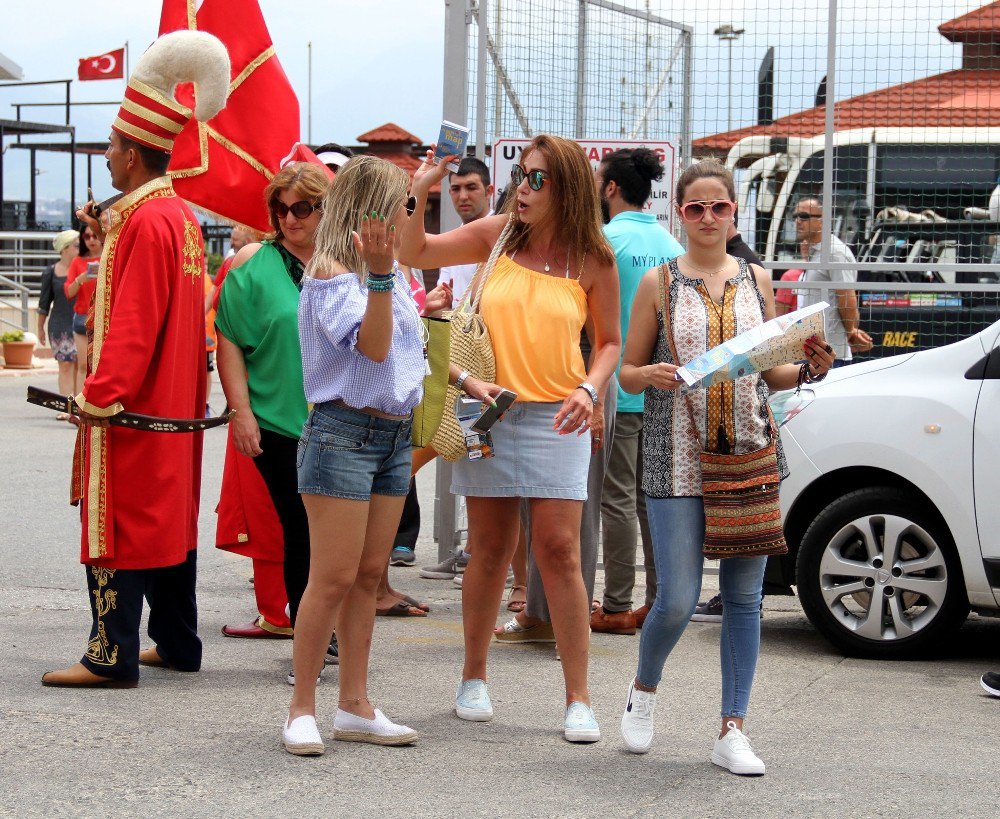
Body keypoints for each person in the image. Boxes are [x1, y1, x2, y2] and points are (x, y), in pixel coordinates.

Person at [400, 134, 622, 743]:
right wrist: (422, 189)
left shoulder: (592, 257)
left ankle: (578, 696)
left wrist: (591, 389)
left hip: (560, 414)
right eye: (522, 176)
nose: (522, 189)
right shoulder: (495, 234)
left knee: (560, 552)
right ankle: (473, 676)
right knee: (490, 551)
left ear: (569, 186)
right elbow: (413, 249)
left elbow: (608, 343)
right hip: (487, 411)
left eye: (537, 179)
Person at [615, 160, 835, 774]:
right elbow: (628, 370)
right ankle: (645, 687)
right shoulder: (659, 283)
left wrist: (813, 362)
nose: (708, 218)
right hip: (675, 452)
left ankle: (732, 727)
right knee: (679, 598)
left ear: (734, 213)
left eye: (719, 207)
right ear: (678, 214)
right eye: (695, 208)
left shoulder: (758, 281)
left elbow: (774, 372)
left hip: (748, 447)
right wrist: (649, 374)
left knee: (743, 599)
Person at [40, 30, 230, 689]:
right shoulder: (174, 215)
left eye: (114, 146)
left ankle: (109, 653)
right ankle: (177, 643)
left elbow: (133, 325)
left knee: (119, 523)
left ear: (133, 155)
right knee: (169, 528)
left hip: (137, 408)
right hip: (172, 403)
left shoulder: (145, 222)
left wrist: (100, 392)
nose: (107, 155)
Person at [283, 155, 428, 755]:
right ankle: (301, 708)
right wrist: (379, 276)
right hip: (341, 433)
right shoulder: (332, 271)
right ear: (374, 209)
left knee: (370, 576)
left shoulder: (381, 268)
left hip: (390, 436)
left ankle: (354, 703)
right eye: (403, 203)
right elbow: (370, 349)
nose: (408, 214)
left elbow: (402, 354)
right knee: (333, 577)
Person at [215, 162, 330, 666]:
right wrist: (241, 412)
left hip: (343, 419)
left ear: (324, 209)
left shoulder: (347, 262)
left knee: (339, 534)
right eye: (280, 209)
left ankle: (328, 629)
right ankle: (312, 637)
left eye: (301, 208)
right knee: (301, 526)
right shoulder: (251, 263)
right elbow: (229, 341)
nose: (290, 218)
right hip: (279, 421)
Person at [591, 147, 682, 635]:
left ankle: (616, 604)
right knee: (653, 499)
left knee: (618, 498)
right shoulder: (669, 243)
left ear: (610, 188)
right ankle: (660, 600)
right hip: (664, 388)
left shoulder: (607, 240)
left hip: (620, 389)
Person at [794, 197, 873, 364]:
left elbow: (847, 298)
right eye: (795, 216)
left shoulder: (835, 253)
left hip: (829, 355)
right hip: (811, 351)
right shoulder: (816, 252)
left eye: (804, 216)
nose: (797, 221)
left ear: (822, 221)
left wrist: (850, 331)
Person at [37, 229, 80, 413]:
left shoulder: (87, 269)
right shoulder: (51, 272)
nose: (80, 248)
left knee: (81, 366)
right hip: (59, 324)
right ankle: (66, 406)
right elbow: (44, 302)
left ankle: (79, 407)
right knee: (65, 365)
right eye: (76, 245)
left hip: (81, 324)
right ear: (65, 248)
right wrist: (40, 328)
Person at [64, 224, 104, 389]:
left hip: (104, 317)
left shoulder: (111, 258)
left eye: (94, 235)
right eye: (86, 237)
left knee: (101, 368)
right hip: (82, 316)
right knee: (82, 366)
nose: (91, 240)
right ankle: (79, 407)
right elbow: (68, 292)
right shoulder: (77, 261)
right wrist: (80, 279)